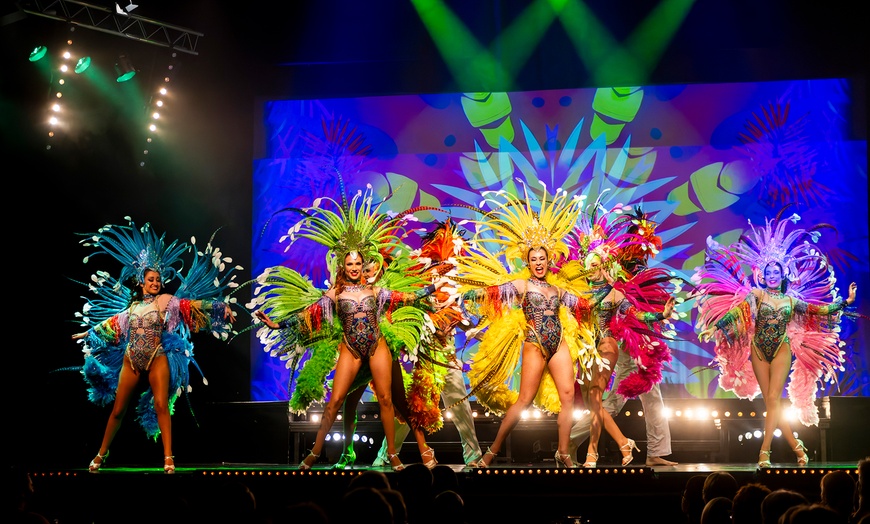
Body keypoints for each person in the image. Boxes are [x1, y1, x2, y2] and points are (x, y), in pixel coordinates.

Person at [250, 183, 448, 471]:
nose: (355, 267)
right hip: (351, 349)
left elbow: (407, 297)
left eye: (358, 263)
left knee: (385, 400)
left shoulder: (375, 290)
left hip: (377, 345)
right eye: (350, 264)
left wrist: (432, 286)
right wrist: (277, 323)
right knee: (336, 402)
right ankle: (315, 453)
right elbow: (309, 315)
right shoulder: (335, 294)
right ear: (343, 266)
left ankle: (393, 455)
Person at [69, 218, 241, 474]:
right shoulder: (132, 308)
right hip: (131, 359)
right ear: (141, 282)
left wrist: (220, 309)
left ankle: (168, 456)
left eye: (158, 279)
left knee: (161, 404)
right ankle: (100, 454)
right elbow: (112, 325)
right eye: (151, 279)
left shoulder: (165, 301)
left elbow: (192, 308)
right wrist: (88, 333)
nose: (155, 283)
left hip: (156, 357)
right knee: (118, 410)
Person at [696, 210, 858, 468]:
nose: (772, 274)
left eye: (776, 271)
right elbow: (737, 313)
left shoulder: (792, 301)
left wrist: (845, 302)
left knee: (773, 399)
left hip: (781, 349)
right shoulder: (755, 296)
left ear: (783, 274)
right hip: (758, 350)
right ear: (763, 274)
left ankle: (764, 452)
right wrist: (714, 326)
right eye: (768, 271)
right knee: (772, 402)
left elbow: (820, 310)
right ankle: (797, 447)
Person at [454, 180, 595, 468]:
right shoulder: (520, 284)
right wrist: (466, 293)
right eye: (534, 259)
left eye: (543, 258)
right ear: (528, 262)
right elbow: (491, 293)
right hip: (534, 345)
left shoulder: (557, 290)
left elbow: (584, 307)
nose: (539, 263)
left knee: (568, 397)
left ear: (548, 259)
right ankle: (491, 452)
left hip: (559, 344)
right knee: (524, 401)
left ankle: (564, 452)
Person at [565, 203, 677, 467]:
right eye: (642, 237)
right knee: (612, 398)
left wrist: (659, 314)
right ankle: (572, 439)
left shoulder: (635, 267)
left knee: (628, 396)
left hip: (636, 336)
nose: (646, 245)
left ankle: (654, 452)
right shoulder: (615, 267)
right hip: (621, 338)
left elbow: (636, 306)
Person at [371, 219, 484, 468]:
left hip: (446, 351)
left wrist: (470, 328)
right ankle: (384, 456)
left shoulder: (457, 283)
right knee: (413, 407)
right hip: (422, 352)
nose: (449, 256)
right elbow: (406, 306)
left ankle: (473, 455)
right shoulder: (417, 277)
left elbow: (462, 316)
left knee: (460, 402)